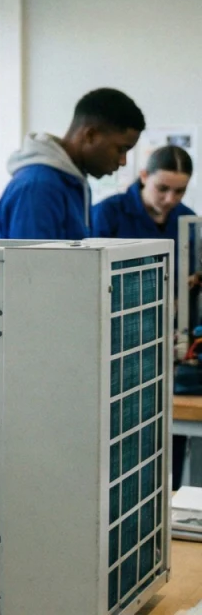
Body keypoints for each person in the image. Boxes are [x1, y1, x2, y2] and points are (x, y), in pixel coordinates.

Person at [92, 145, 199, 491]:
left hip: (169, 347)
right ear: (143, 177)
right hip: (115, 345)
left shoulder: (188, 221)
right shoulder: (107, 214)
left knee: (171, 437)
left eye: (179, 190)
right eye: (162, 188)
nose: (170, 198)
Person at [0, 88, 145, 240]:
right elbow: (30, 262)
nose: (123, 161)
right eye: (121, 149)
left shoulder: (73, 182)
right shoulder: (39, 186)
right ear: (90, 135)